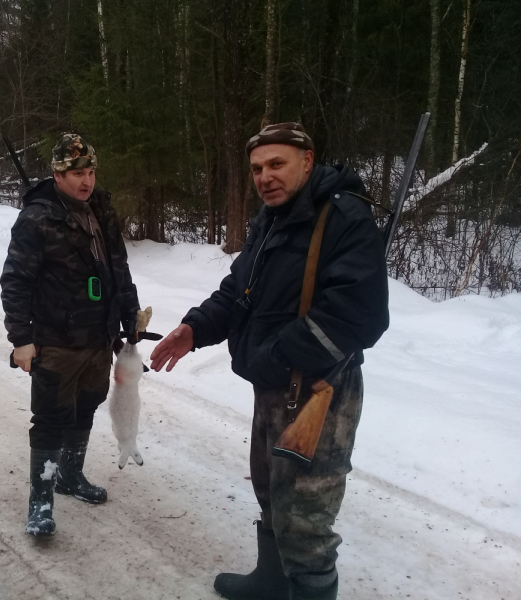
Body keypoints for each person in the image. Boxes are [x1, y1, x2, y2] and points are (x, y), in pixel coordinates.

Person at [150, 122, 389, 600]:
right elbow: (238, 293)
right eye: (257, 168)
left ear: (307, 160)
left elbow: (357, 317)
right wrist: (195, 329)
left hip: (320, 393)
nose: (265, 176)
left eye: (276, 164)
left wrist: (274, 356)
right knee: (271, 491)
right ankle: (270, 583)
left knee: (304, 520)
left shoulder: (343, 218)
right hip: (275, 385)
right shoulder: (272, 220)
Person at [0, 134, 141, 536]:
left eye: (91, 172)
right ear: (58, 174)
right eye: (78, 173)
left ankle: (69, 476)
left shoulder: (102, 211)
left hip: (98, 337)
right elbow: (16, 282)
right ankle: (40, 503)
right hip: (55, 339)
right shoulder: (36, 218)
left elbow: (119, 269)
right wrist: (21, 339)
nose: (87, 181)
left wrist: (130, 315)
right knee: (49, 419)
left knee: (87, 405)